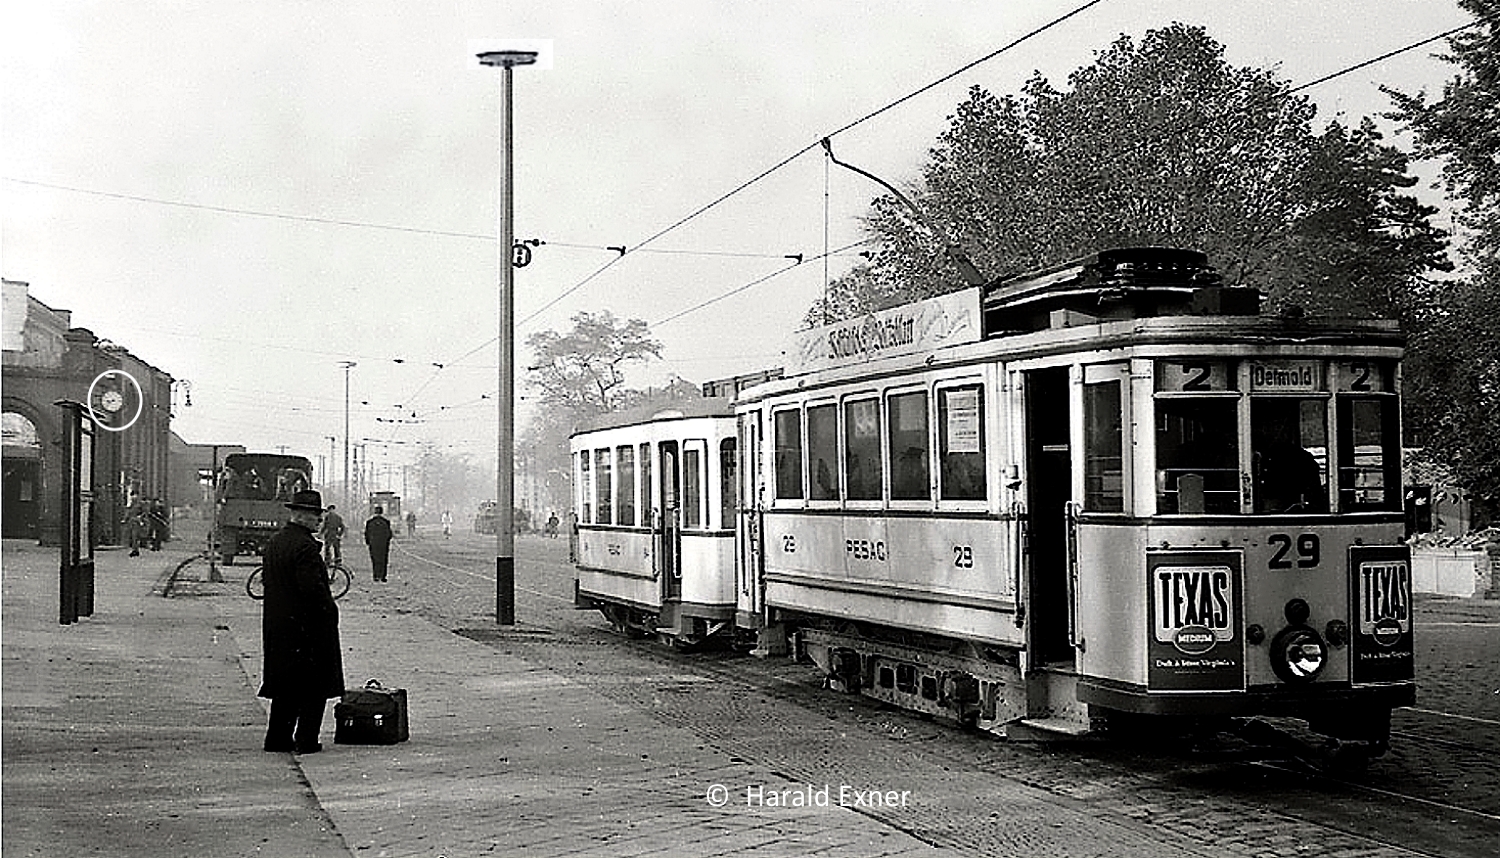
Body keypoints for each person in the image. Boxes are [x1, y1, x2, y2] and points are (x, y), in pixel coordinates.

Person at [259, 489, 344, 754]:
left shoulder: (275, 542)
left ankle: (277, 739)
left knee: (284, 687)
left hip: (278, 624)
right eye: (315, 515)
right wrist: (329, 611)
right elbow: (312, 590)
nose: (319, 520)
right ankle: (306, 739)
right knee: (313, 686)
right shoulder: (305, 547)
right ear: (301, 516)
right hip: (306, 628)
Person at [365, 505, 394, 582]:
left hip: (373, 544)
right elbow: (389, 534)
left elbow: (366, 534)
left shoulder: (369, 522)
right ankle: (383, 576)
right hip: (383, 545)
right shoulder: (386, 522)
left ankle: (376, 576)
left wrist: (368, 542)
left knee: (375, 560)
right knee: (383, 560)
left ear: (375, 512)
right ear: (382, 512)